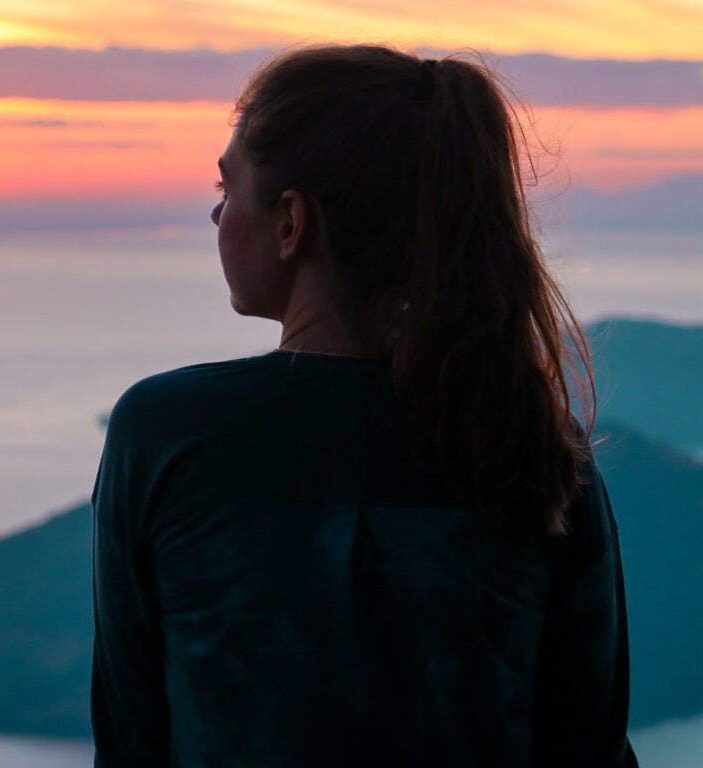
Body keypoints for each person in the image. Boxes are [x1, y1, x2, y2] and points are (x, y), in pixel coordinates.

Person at [91, 44, 638, 767]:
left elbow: (133, 747)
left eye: (227, 187)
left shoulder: (165, 436)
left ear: (292, 223)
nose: (216, 213)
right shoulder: (527, 445)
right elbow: (588, 749)